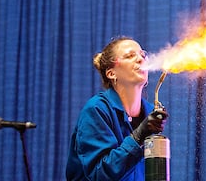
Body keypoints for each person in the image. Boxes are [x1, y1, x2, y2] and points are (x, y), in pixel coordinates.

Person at [66, 36, 168, 180]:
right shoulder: (96, 110)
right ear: (111, 73)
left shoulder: (150, 113)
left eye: (143, 55)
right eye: (130, 56)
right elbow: (99, 175)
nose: (141, 59)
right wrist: (138, 136)